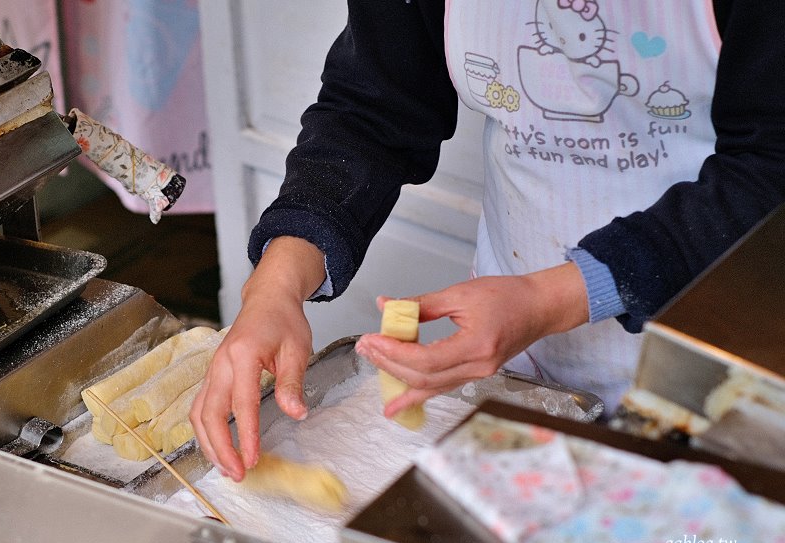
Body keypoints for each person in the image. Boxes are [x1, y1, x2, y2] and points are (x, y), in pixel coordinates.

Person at [190, 0, 785, 482]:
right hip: (527, 356)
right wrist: (277, 281)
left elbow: (771, 170)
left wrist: (554, 297)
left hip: (735, 356)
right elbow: (372, 109)